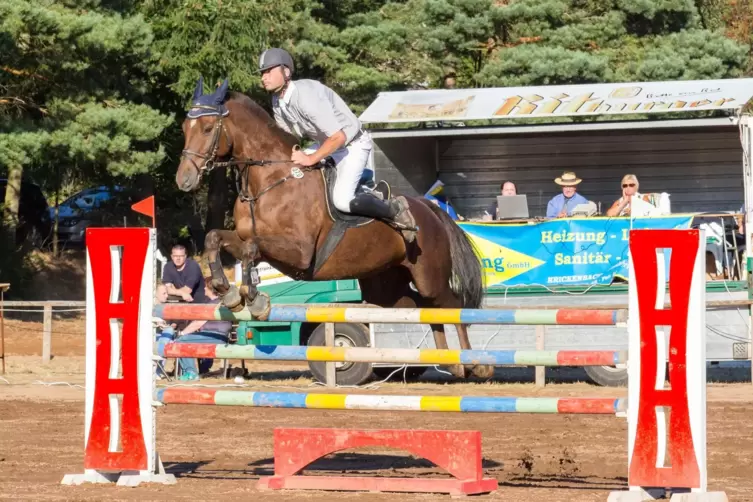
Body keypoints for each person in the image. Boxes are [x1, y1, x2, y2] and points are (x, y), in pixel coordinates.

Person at [258, 47, 416, 240]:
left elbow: (339, 137)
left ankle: (393, 209)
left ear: (286, 71)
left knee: (341, 200)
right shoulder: (277, 101)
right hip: (327, 143)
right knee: (290, 171)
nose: (264, 77)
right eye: (262, 73)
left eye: (268, 71)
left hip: (352, 144)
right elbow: (288, 136)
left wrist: (310, 159)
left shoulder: (306, 96)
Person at [155, 281, 232, 382]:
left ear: (211, 290)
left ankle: (191, 372)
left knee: (181, 341)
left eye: (206, 287)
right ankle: (186, 371)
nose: (204, 289)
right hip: (216, 336)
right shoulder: (218, 302)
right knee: (182, 339)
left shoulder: (213, 305)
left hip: (215, 336)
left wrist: (181, 334)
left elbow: (198, 323)